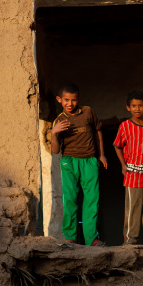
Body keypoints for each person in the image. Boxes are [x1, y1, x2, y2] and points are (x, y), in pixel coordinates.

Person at [51, 83, 107, 246]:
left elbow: (98, 131)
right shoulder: (59, 120)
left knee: (92, 199)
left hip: (89, 161)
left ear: (79, 99)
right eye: (66, 100)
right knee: (70, 199)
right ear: (59, 99)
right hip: (69, 162)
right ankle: (70, 236)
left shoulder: (88, 112)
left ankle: (91, 238)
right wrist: (54, 132)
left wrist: (101, 154)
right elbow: (56, 150)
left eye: (73, 100)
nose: (70, 104)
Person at [113, 90, 143, 245]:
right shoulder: (125, 126)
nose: (137, 109)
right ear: (128, 107)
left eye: (140, 105)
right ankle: (131, 239)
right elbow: (117, 145)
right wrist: (123, 165)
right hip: (132, 173)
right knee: (133, 207)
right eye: (134, 106)